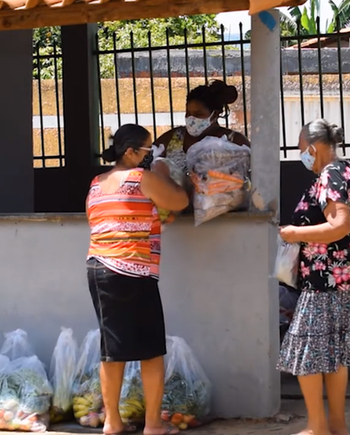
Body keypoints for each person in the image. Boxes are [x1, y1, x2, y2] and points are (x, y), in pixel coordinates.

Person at [86, 124, 189, 435]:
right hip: (134, 270)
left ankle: (112, 421)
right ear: (130, 153)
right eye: (148, 151)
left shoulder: (97, 182)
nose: (151, 156)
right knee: (150, 350)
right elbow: (180, 201)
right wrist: (162, 170)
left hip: (98, 269)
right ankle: (153, 424)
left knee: (112, 349)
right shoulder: (142, 178)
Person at [277, 119, 350, 435]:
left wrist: (294, 234)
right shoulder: (347, 171)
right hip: (347, 278)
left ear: (314, 148)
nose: (300, 154)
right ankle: (336, 425)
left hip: (327, 280)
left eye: (301, 148)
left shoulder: (331, 175)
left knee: (306, 351)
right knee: (336, 354)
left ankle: (318, 427)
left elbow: (340, 225)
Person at [152, 80, 250, 178]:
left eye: (198, 114)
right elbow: (146, 160)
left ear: (214, 114)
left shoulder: (235, 142)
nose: (191, 118)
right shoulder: (173, 138)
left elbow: (254, 175)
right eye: (188, 113)